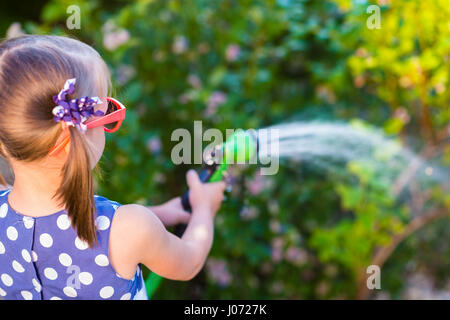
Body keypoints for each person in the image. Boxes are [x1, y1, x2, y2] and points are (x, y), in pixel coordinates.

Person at [0, 35, 225, 300]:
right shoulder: (131, 228)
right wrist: (204, 209)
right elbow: (189, 262)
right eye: (108, 113)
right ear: (69, 139)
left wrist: (158, 214)